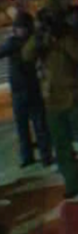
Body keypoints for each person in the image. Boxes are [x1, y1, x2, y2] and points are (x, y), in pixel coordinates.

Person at [23, 0, 78, 200]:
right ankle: (73, 183)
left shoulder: (72, 29)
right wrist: (40, 35)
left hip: (76, 95)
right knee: (61, 145)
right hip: (52, 98)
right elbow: (27, 54)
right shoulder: (43, 33)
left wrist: (61, 36)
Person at [0, 11, 53, 167]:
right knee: (23, 126)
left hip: (31, 87)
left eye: (22, 27)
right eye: (18, 28)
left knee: (39, 125)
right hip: (19, 90)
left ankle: (45, 156)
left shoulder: (30, 41)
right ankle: (28, 156)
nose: (20, 31)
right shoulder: (15, 43)